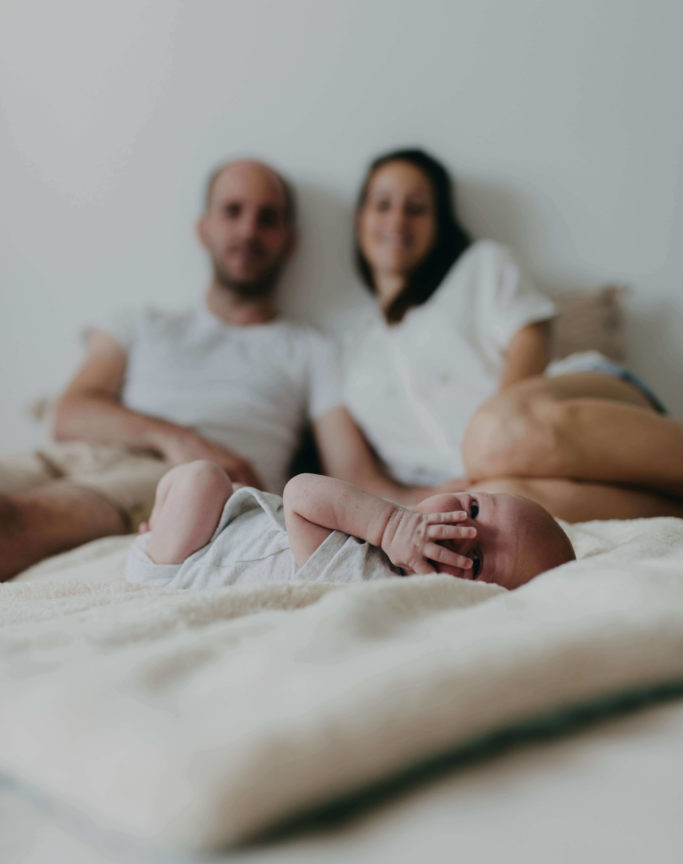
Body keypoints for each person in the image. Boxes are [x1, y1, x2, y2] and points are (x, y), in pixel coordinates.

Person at [0, 159, 343, 580]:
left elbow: (352, 472)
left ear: (289, 241)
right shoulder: (140, 321)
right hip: (73, 454)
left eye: (267, 218)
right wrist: (176, 438)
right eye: (232, 211)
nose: (248, 230)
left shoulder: (312, 349)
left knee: (10, 527)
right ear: (204, 228)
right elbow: (68, 413)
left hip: (175, 489)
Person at [315, 148, 683, 523]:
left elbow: (530, 339)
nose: (397, 219)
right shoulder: (346, 354)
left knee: (497, 438)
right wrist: (433, 496)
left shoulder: (479, 267)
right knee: (497, 500)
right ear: (360, 218)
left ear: (439, 222)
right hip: (491, 480)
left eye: (416, 208)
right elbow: (356, 478)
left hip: (569, 406)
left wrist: (487, 448)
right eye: (383, 205)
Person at [125, 461, 575, 592]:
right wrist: (393, 520)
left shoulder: (370, 581)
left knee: (204, 479)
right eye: (475, 509)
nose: (459, 528)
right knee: (213, 484)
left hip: (184, 564)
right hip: (231, 523)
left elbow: (300, 494)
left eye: (475, 561)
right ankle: (161, 526)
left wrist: (392, 524)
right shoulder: (393, 528)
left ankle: (158, 537)